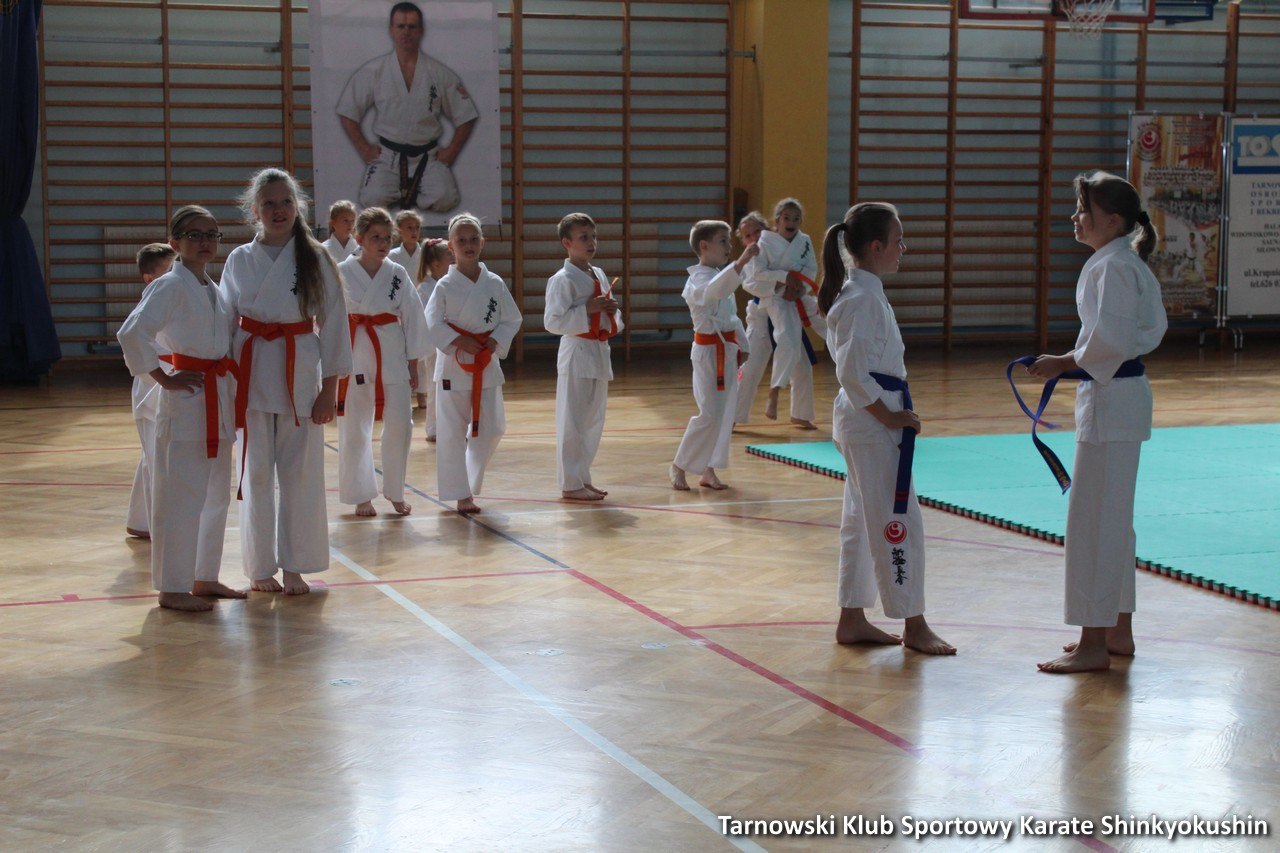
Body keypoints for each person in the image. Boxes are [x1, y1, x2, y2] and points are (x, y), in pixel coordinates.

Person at [1025, 171, 1167, 674]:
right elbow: (1110, 340)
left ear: (1112, 220)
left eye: (1084, 209)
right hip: (1116, 402)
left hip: (1112, 406)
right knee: (1112, 523)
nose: (1075, 216)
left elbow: (1109, 342)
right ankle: (1117, 631)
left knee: (1094, 525)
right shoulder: (1119, 263)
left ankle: (1093, 643)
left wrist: (1063, 363)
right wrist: (1067, 362)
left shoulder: (1114, 268)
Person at [818, 202, 955, 655]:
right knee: (899, 520)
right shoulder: (861, 299)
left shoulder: (860, 294)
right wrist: (888, 415)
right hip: (871, 423)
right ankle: (913, 623)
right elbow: (852, 372)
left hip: (865, 421)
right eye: (898, 240)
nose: (903, 248)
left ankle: (852, 617)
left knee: (861, 522)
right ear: (876, 247)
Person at [221, 168, 353, 595]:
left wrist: (329, 391)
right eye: (269, 203)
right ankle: (260, 567)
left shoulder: (315, 258)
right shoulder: (240, 259)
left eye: (286, 202)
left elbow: (335, 324)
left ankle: (296, 565)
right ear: (254, 210)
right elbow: (224, 323)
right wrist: (222, 384)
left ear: (298, 208)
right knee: (255, 475)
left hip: (301, 375)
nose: (278, 210)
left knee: (301, 476)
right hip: (251, 374)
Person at [117, 207, 245, 612]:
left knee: (215, 496)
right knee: (179, 498)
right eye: (195, 234)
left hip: (217, 397)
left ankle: (204, 576)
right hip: (186, 400)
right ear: (175, 243)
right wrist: (164, 378)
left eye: (212, 234)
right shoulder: (170, 285)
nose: (205, 242)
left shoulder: (214, 288)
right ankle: (172, 587)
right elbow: (132, 332)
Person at [337, 1, 479, 212]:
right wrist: (364, 148)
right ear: (391, 30)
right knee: (373, 199)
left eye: (412, 26)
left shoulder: (439, 73)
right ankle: (400, 192)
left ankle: (413, 194)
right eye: (401, 26)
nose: (406, 32)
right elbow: (348, 111)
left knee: (446, 199)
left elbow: (466, 115)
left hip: (428, 155)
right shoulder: (374, 71)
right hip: (388, 155)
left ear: (421, 31)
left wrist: (452, 151)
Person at [336, 206, 431, 517]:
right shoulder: (341, 271)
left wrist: (414, 363)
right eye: (375, 237)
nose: (382, 243)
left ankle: (395, 491)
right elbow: (328, 319)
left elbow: (414, 318)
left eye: (387, 238)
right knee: (355, 429)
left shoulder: (397, 273)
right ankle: (361, 495)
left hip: (392, 355)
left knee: (401, 425)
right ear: (359, 239)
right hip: (355, 356)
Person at [424, 213, 521, 514]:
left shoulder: (494, 283)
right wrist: (457, 340)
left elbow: (512, 318)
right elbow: (431, 322)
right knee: (452, 432)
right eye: (461, 240)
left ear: (482, 242)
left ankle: (469, 480)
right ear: (451, 246)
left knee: (493, 427)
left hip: (485, 361)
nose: (468, 244)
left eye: (473, 239)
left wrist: (495, 340)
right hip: (453, 365)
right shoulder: (444, 285)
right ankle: (461, 493)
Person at [670, 220, 757, 491]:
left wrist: (744, 345)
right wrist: (741, 262)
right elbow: (713, 291)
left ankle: (709, 469)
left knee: (724, 413)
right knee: (709, 413)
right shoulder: (698, 280)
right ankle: (679, 465)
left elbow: (732, 318)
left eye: (729, 241)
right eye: (723, 241)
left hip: (727, 350)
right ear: (704, 246)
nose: (729, 246)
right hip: (708, 353)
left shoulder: (719, 276)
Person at [544, 212, 623, 501]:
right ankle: (570, 483)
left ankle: (582, 477)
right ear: (567, 243)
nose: (591, 242)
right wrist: (587, 309)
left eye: (593, 236)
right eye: (584, 238)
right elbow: (552, 322)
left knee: (592, 422)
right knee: (573, 422)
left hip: (598, 351)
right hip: (576, 352)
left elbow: (608, 314)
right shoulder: (562, 279)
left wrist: (612, 311)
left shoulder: (598, 273)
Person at [747, 198, 825, 430]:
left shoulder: (804, 241)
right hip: (771, 303)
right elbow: (757, 276)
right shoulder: (761, 245)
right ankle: (767, 396)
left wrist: (801, 288)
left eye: (796, 218)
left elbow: (811, 268)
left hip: (796, 297)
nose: (791, 222)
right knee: (757, 364)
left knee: (825, 323)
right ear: (777, 220)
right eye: (787, 218)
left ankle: (801, 413)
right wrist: (784, 279)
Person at [125, 242, 176, 539]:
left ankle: (140, 521)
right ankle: (161, 527)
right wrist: (164, 378)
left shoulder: (172, 299)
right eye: (168, 270)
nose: (174, 275)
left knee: (152, 457)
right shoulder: (151, 303)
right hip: (153, 384)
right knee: (159, 460)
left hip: (164, 379)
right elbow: (131, 339)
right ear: (149, 278)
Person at [731, 211, 771, 427]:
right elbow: (752, 286)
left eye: (758, 231)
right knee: (748, 368)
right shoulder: (746, 262)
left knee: (801, 365)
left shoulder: (780, 251)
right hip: (761, 316)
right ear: (743, 240)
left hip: (789, 311)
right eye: (748, 235)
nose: (754, 237)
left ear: (768, 230)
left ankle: (801, 413)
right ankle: (733, 416)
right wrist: (779, 283)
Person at [414, 238, 452, 428]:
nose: (455, 264)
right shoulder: (425, 288)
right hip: (435, 346)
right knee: (435, 384)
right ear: (436, 264)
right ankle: (433, 427)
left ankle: (452, 425)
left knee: (453, 387)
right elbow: (424, 320)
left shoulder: (452, 284)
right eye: (451, 261)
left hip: (453, 342)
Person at [387, 208, 424, 282]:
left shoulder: (426, 255)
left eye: (417, 227)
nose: (415, 232)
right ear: (399, 230)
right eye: (410, 227)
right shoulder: (392, 256)